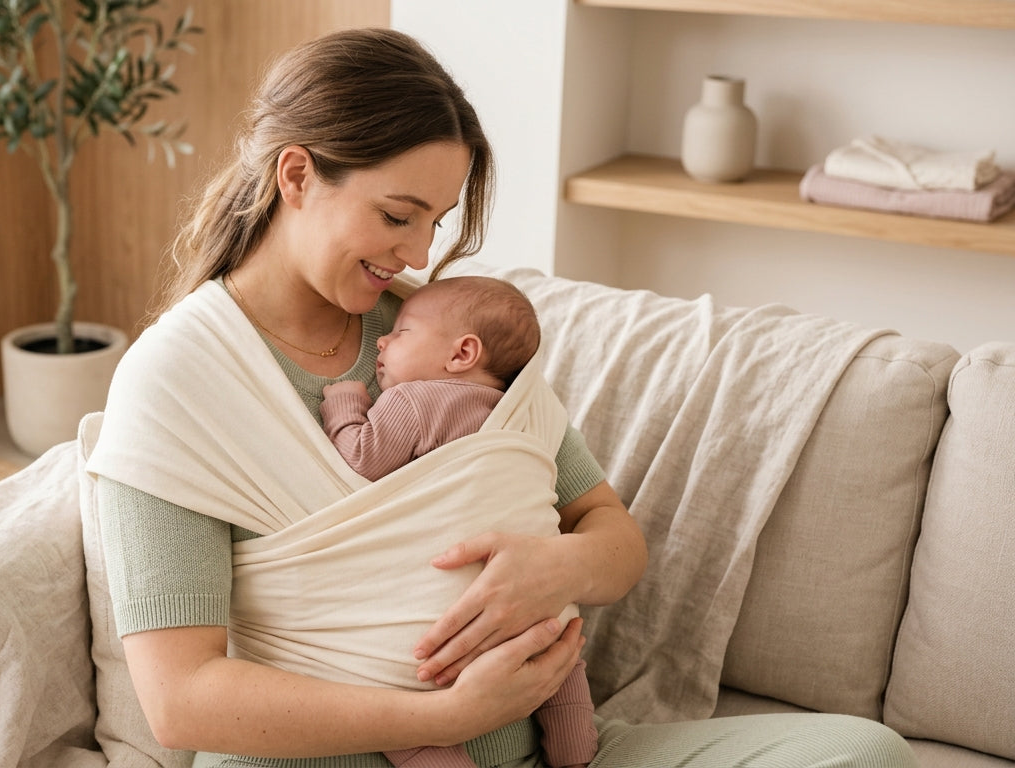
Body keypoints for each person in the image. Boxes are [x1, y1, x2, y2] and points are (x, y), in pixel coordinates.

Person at [88, 26, 918, 768]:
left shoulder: (435, 334)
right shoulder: (178, 382)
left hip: (542, 750)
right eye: (397, 214)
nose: (417, 251)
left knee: (859, 751)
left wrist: (557, 563)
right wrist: (452, 712)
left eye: (436, 223)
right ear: (297, 175)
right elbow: (181, 699)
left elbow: (612, 534)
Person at [321, 274, 597, 768]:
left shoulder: (413, 401)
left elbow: (362, 458)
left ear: (461, 354)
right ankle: (577, 757)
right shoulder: (520, 418)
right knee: (563, 678)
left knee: (411, 722)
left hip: (445, 619)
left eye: (402, 332)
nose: (382, 339)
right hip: (537, 612)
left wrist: (346, 402)